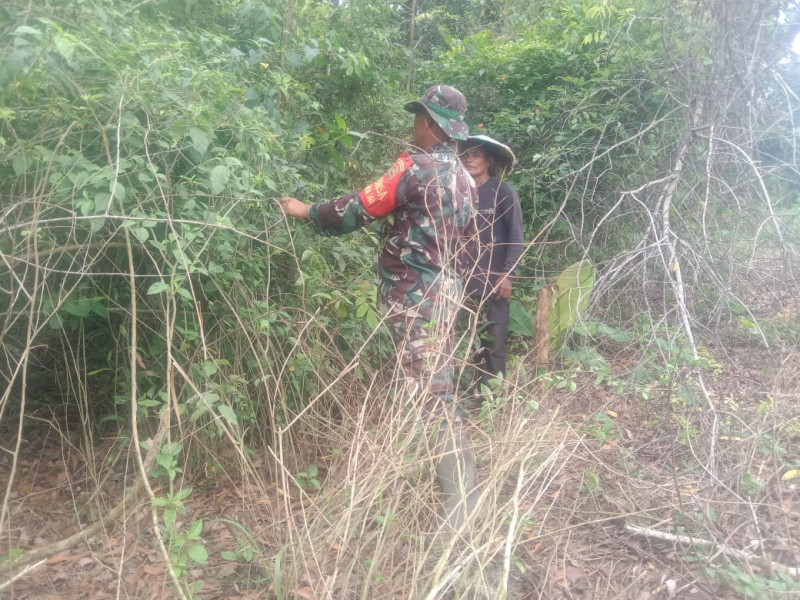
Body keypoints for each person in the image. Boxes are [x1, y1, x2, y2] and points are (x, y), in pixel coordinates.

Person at [277, 85, 479, 534]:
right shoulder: (465, 177)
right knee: (432, 382)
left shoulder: (415, 168)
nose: (413, 127)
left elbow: (356, 208)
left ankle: (463, 508)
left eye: (417, 118)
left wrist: (306, 211)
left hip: (415, 298)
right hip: (447, 293)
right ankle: (421, 485)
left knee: (431, 394)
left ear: (430, 122)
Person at [460, 134, 524, 397]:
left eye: (475, 154)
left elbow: (516, 236)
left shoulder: (503, 192)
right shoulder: (459, 194)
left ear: (490, 160)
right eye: (465, 155)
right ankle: (471, 396)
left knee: (494, 344)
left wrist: (507, 275)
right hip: (463, 284)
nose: (469, 159)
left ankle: (495, 401)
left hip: (495, 284)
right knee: (467, 344)